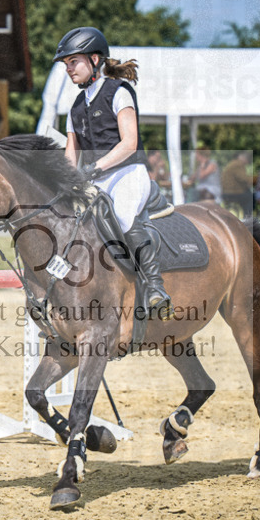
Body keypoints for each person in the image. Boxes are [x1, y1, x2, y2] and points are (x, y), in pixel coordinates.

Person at [54, 25, 169, 314]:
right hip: (96, 180)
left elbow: (129, 143)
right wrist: (62, 182)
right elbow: (71, 154)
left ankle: (155, 286)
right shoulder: (75, 107)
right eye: (66, 64)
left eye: (73, 61)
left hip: (128, 173)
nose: (68, 69)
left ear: (95, 59)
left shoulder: (118, 92)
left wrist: (94, 168)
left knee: (123, 216)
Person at [220, 151, 256, 216]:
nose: (247, 162)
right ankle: (248, 218)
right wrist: (255, 179)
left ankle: (247, 217)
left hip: (227, 192)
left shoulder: (233, 163)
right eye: (247, 159)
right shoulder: (237, 164)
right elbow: (243, 178)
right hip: (232, 193)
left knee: (249, 194)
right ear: (242, 157)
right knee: (251, 197)